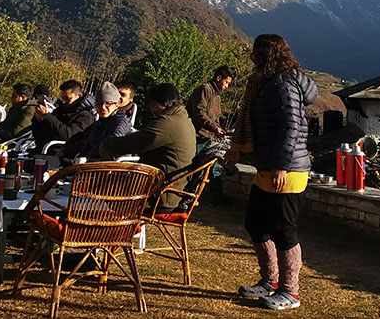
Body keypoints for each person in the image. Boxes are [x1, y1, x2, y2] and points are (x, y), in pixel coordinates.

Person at [226, 34, 317, 311]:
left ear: (267, 56)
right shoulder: (265, 83)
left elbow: (290, 128)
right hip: (268, 166)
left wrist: (280, 166)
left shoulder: (282, 84)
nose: (253, 58)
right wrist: (238, 151)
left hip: (286, 170)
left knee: (284, 231)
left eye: (256, 53)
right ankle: (269, 281)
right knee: (256, 222)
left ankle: (290, 292)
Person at [99, 83, 195, 211]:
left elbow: (135, 143)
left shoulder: (167, 123)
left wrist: (106, 144)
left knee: (100, 186)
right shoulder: (183, 119)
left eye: (152, 106)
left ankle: (103, 228)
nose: (152, 111)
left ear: (157, 104)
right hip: (173, 188)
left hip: (160, 195)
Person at [186, 65, 235, 205]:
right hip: (197, 136)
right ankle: (188, 196)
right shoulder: (204, 89)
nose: (226, 87)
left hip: (209, 138)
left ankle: (217, 198)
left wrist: (220, 130)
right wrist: (214, 128)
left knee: (214, 168)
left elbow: (215, 118)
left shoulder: (217, 96)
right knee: (195, 169)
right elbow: (199, 112)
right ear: (218, 78)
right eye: (226, 82)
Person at [71, 82, 136, 160]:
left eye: (108, 104)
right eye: (99, 104)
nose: (103, 107)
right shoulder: (98, 123)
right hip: (94, 164)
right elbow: (88, 145)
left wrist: (88, 157)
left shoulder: (121, 121)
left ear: (116, 105)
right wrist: (81, 156)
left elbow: (111, 144)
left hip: (113, 166)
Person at [30, 79, 96, 148]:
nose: (64, 101)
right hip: (44, 149)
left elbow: (67, 135)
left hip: (62, 153)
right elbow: (39, 133)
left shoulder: (85, 116)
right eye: (62, 98)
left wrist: (47, 116)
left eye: (67, 98)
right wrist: (38, 120)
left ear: (79, 96)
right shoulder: (59, 110)